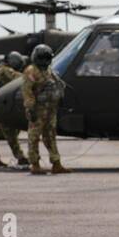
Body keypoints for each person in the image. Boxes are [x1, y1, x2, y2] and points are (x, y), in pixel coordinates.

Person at [22, 44, 70, 175]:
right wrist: (30, 108)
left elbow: (57, 84)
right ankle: (35, 164)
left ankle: (56, 164)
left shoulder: (49, 70)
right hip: (37, 110)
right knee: (34, 137)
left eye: (46, 58)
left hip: (50, 110)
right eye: (42, 58)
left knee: (50, 136)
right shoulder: (31, 71)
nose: (44, 61)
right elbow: (27, 91)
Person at [0, 52, 30, 169]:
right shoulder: (5, 70)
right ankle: (20, 157)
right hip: (2, 106)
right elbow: (21, 79)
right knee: (10, 133)